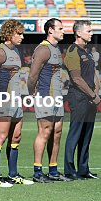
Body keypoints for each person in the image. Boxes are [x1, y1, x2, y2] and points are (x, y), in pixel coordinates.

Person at [0, 20, 26, 188]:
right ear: (9, 34)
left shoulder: (15, 51)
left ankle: (13, 174)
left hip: (16, 99)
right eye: (19, 33)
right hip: (3, 99)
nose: (22, 37)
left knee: (16, 136)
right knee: (0, 137)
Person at [28, 18, 68, 183]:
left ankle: (53, 170)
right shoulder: (43, 49)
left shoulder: (56, 49)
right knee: (44, 132)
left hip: (57, 96)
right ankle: (37, 171)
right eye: (59, 28)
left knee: (57, 133)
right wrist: (31, 93)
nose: (63, 31)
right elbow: (32, 75)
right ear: (50, 30)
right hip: (45, 95)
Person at [63, 20, 101, 180]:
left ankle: (83, 170)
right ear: (78, 33)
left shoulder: (88, 52)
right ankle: (70, 170)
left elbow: (94, 75)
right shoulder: (73, 51)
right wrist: (92, 95)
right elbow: (76, 79)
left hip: (90, 98)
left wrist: (96, 93)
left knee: (86, 135)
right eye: (89, 31)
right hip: (78, 97)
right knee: (75, 133)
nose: (91, 33)